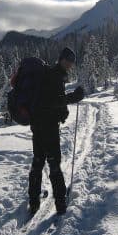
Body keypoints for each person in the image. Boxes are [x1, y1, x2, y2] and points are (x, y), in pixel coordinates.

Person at [29, 47, 84, 215]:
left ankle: (33, 201)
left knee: (38, 162)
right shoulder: (55, 76)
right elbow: (55, 101)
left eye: (71, 62)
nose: (69, 65)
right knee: (54, 164)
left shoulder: (50, 74)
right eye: (67, 61)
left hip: (37, 126)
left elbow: (52, 100)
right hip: (48, 129)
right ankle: (60, 203)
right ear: (61, 59)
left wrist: (63, 107)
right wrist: (74, 97)